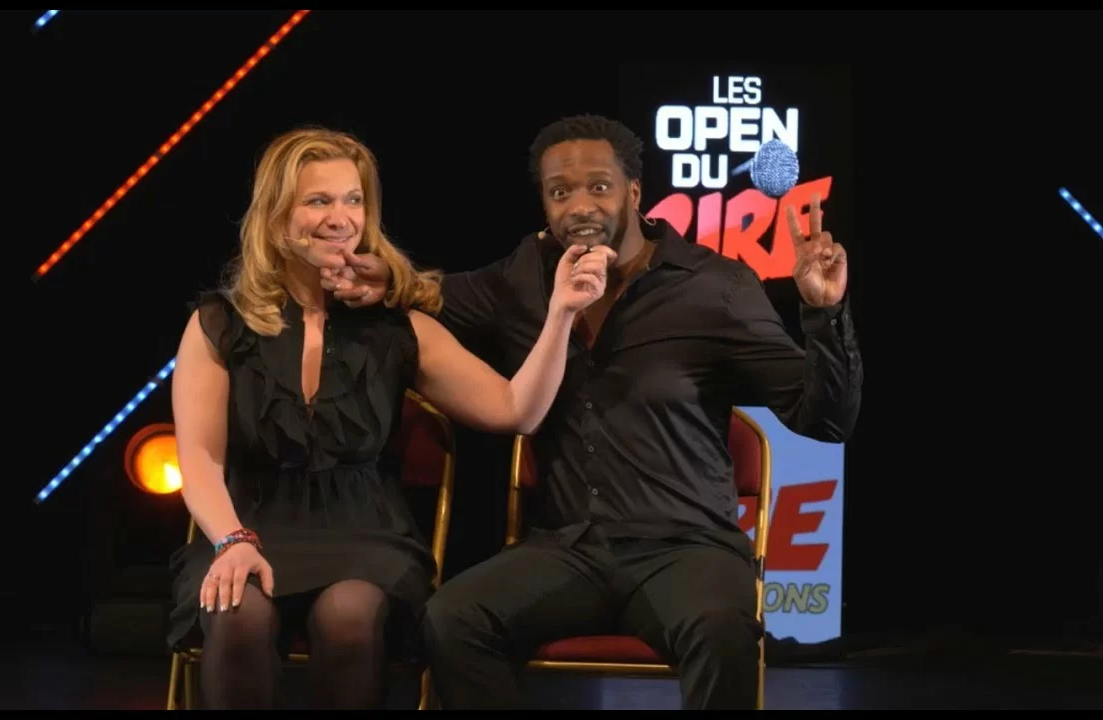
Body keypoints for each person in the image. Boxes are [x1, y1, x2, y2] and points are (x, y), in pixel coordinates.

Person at [319, 114, 864, 709]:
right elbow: (430, 292)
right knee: (453, 618)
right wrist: (386, 279)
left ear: (634, 192)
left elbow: (823, 420)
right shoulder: (523, 277)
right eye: (560, 191)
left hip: (687, 548)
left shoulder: (716, 287)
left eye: (599, 187)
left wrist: (824, 314)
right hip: (566, 550)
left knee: (721, 630)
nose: (579, 205)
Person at [166, 126, 616, 710]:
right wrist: (232, 541)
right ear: (276, 216)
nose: (341, 218)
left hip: (366, 534)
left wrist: (561, 315)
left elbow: (516, 410)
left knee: (348, 617)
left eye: (353, 200)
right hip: (245, 522)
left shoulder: (397, 327)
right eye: (318, 200)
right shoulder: (219, 324)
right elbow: (200, 457)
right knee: (238, 612)